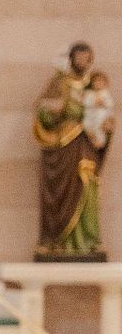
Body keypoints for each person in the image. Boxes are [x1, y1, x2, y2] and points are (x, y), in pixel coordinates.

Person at [34, 42, 113, 259]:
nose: (82, 61)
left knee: (87, 183)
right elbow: (41, 111)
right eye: (78, 57)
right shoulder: (59, 82)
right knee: (59, 191)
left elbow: (105, 113)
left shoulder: (94, 86)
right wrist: (55, 110)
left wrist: (107, 127)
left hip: (86, 143)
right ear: (71, 58)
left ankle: (88, 240)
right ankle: (56, 242)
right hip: (62, 147)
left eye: (86, 57)